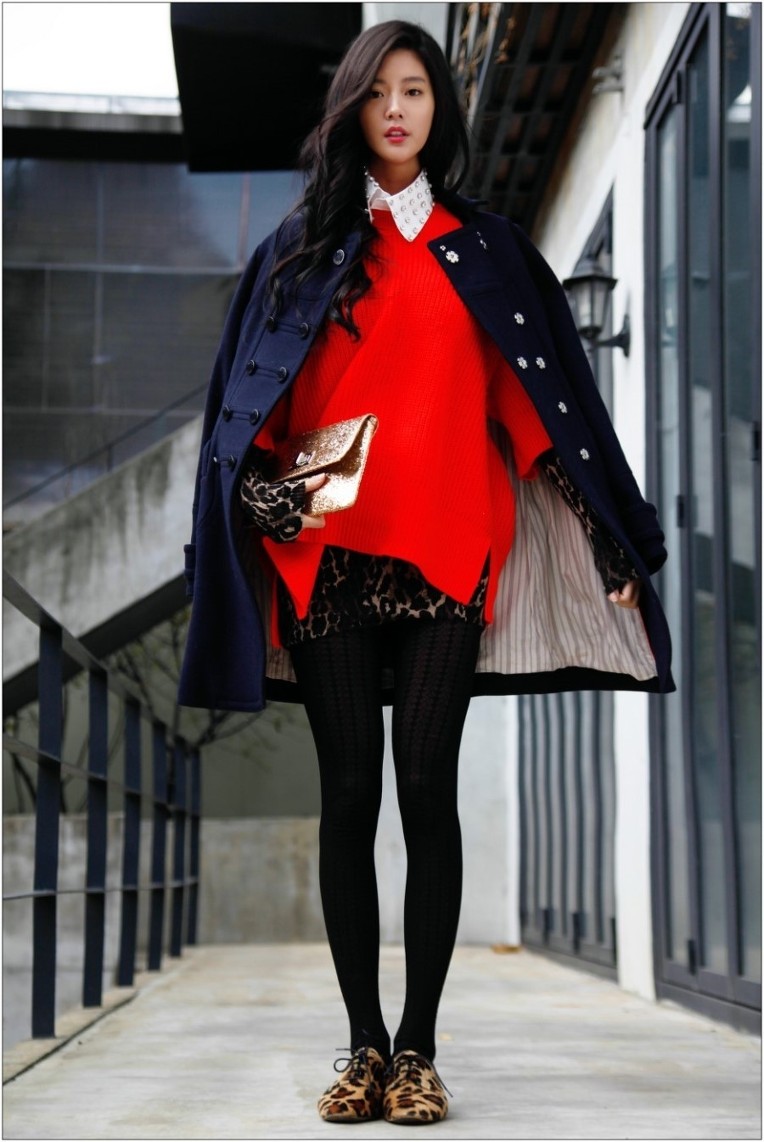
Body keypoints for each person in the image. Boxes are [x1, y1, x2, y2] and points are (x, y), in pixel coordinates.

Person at [178, 19, 673, 1126]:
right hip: (328, 558)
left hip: (449, 550)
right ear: (352, 109)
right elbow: (250, 404)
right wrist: (255, 494)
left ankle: (418, 1051)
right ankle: (361, 1044)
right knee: (349, 796)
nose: (396, 109)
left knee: (426, 790)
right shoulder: (301, 247)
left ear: (438, 109)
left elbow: (537, 405)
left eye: (415, 89)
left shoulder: (484, 247)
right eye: (377, 92)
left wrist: (612, 534)